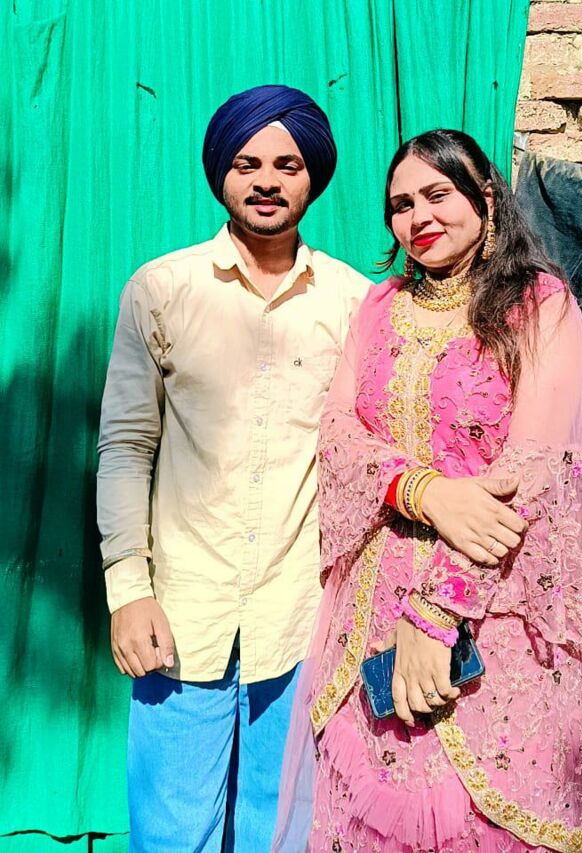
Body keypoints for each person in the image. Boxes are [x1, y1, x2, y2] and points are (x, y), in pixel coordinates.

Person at [274, 130, 582, 852]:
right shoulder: (380, 305)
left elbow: (531, 471)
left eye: (437, 194)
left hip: (499, 617)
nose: (418, 217)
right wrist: (423, 490)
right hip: (371, 620)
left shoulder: (543, 306)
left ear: (487, 200)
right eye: (401, 204)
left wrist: (435, 615)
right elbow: (338, 437)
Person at [96, 84, 369, 852]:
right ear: (220, 172)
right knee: (171, 833)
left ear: (313, 176)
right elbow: (126, 445)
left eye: (287, 164)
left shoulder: (353, 301)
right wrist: (128, 589)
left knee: (281, 832)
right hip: (182, 612)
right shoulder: (162, 288)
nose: (266, 181)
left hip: (301, 617)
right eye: (247, 163)